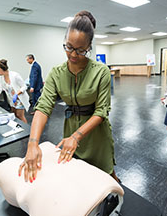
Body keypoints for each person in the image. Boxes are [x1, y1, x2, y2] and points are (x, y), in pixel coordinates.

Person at [18, 10, 120, 183]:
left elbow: (101, 111)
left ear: (89, 47)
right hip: (70, 130)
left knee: (106, 176)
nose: (73, 54)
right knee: (78, 177)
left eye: (80, 50)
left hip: (96, 135)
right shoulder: (57, 73)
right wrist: (32, 144)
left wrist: (76, 137)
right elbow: (43, 107)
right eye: (69, 47)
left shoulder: (100, 71)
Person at [0, 59, 30, 123]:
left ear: (0, 69)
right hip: (12, 99)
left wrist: (17, 94)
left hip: (19, 98)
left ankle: (28, 131)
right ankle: (20, 129)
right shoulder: (1, 78)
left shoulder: (15, 75)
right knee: (15, 115)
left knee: (20, 116)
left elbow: (24, 86)